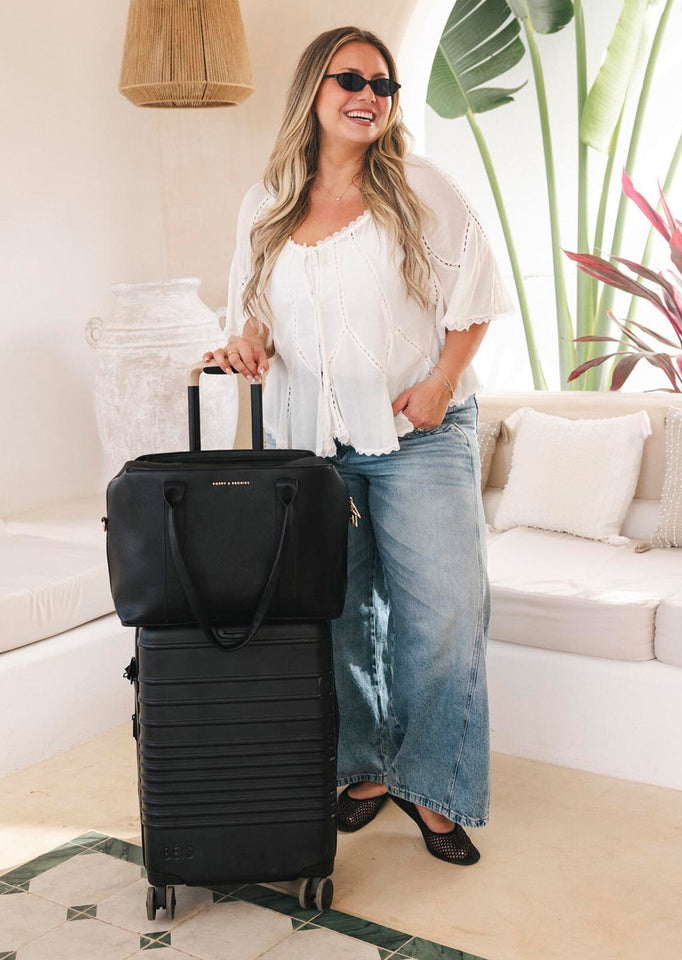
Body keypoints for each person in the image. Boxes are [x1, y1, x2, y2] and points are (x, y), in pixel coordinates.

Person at [204, 25, 512, 865]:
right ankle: (366, 768)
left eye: (383, 84)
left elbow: (477, 292)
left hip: (418, 434)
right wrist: (249, 344)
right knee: (338, 617)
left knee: (447, 614)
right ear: (313, 90)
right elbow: (255, 309)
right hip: (310, 444)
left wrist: (443, 383)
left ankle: (433, 787)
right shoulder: (267, 198)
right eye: (350, 79)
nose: (368, 95)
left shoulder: (421, 186)